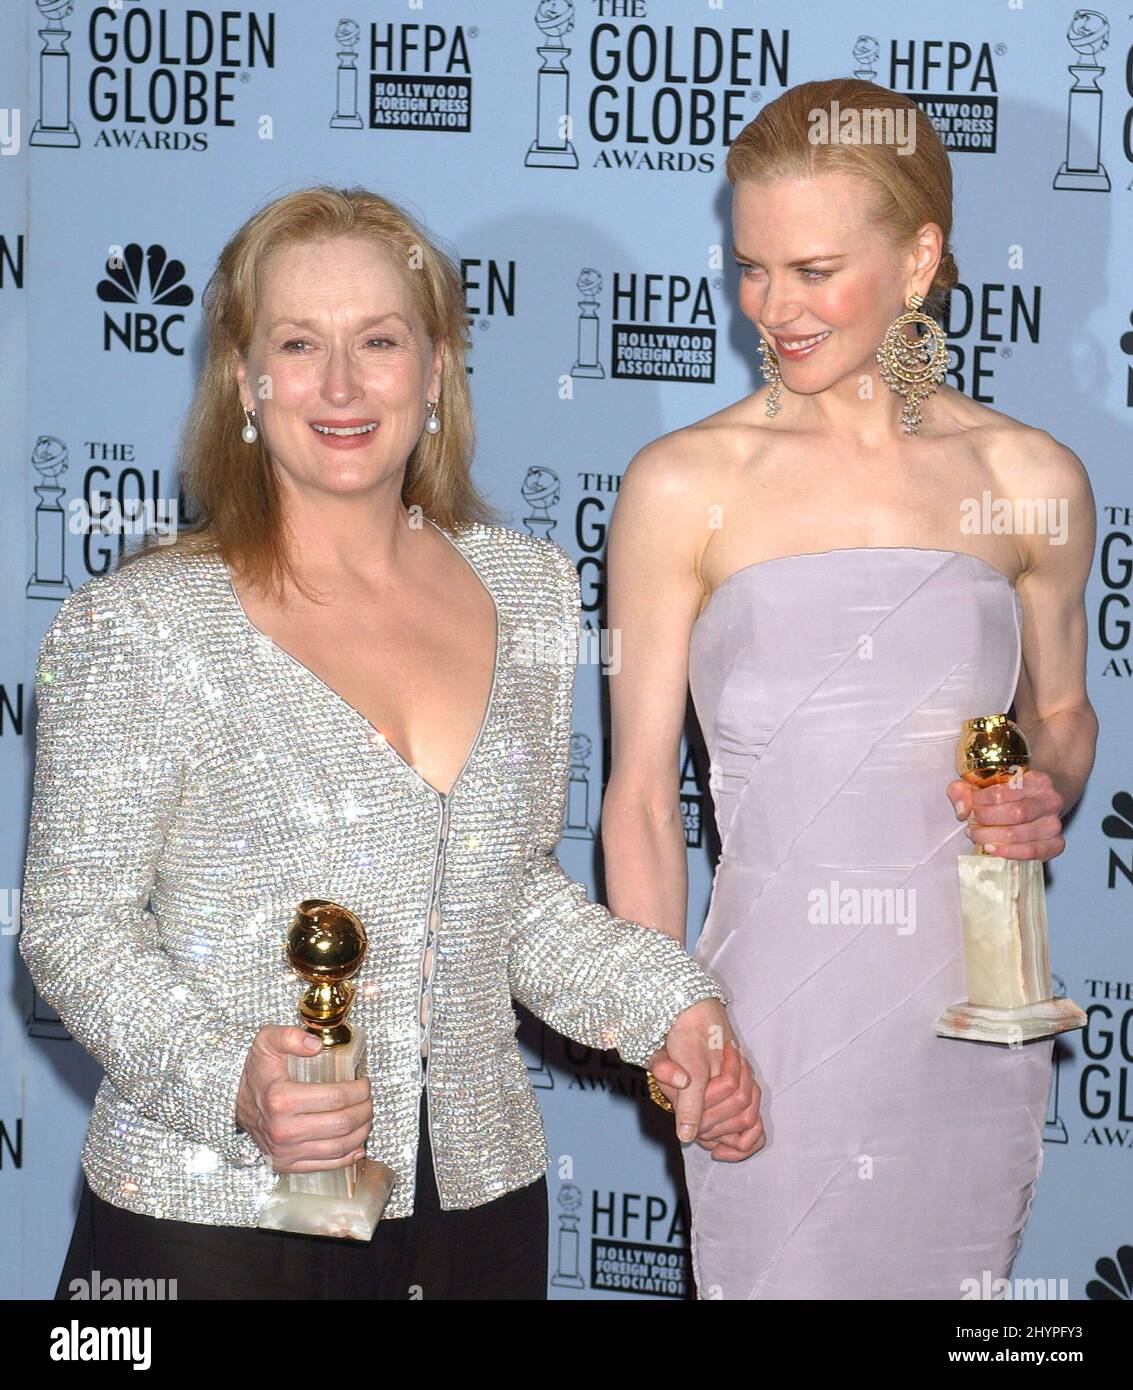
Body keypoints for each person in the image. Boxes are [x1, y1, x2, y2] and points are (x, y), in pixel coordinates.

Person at [19, 185, 764, 1303]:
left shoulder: (526, 593)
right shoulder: (138, 626)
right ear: (244, 380)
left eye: (377, 340)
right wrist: (231, 1078)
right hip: (210, 1220)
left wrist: (671, 1000)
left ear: (436, 368)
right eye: (297, 344)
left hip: (475, 1210)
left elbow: (507, 899)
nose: (338, 384)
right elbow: (73, 929)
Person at [600, 78, 1098, 1300]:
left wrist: (1042, 783)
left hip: (971, 1014)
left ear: (918, 258)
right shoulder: (681, 486)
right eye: (751, 268)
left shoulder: (1026, 473)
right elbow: (639, 802)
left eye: (814, 269)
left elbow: (1064, 717)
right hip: (772, 1024)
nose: (773, 308)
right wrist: (678, 1027)